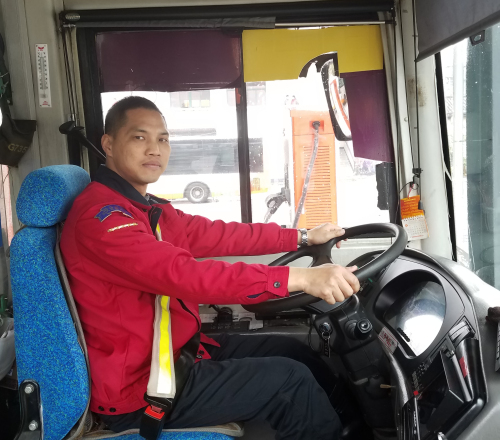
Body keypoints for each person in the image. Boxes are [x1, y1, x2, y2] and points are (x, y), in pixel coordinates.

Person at [61, 96, 361, 440]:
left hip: (175, 354)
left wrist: (302, 236)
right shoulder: (102, 218)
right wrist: (302, 278)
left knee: (295, 353)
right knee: (290, 383)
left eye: (163, 139)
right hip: (142, 388)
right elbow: (186, 275)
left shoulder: (142, 208)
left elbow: (219, 234)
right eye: (139, 137)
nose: (155, 149)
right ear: (109, 144)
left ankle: (350, 429)